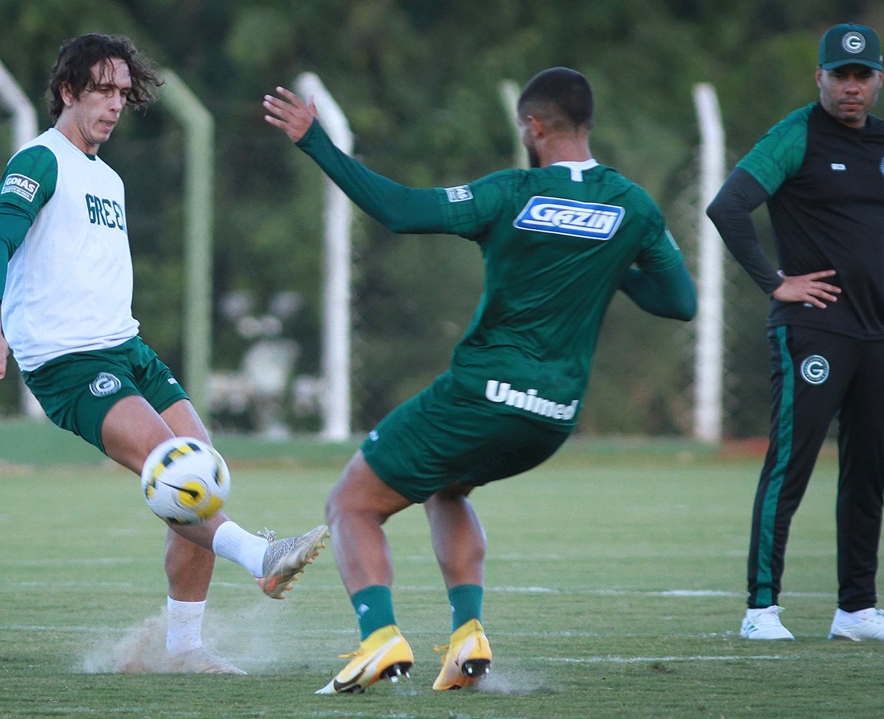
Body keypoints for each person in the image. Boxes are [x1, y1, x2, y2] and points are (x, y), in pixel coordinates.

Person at [264, 67, 697, 693]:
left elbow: (401, 211)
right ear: (588, 125)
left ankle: (378, 638)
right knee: (447, 489)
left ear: (533, 125)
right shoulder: (632, 206)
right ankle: (468, 636)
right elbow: (679, 300)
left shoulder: (512, 192)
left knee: (351, 505)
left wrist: (317, 140)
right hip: (552, 415)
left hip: (482, 395)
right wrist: (605, 257)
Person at [0, 33, 329, 674]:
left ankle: (184, 649)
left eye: (122, 94)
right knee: (175, 470)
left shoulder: (110, 179)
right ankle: (261, 558)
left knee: (205, 471)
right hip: (68, 364)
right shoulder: (39, 161)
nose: (112, 106)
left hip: (127, 350)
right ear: (68, 91)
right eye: (101, 91)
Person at [707, 23, 884, 642]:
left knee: (868, 472)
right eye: (840, 75)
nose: (851, 88)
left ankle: (857, 611)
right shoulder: (795, 135)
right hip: (812, 331)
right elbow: (727, 206)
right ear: (820, 78)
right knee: (790, 465)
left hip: (878, 335)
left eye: (863, 76)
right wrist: (776, 281)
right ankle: (761, 611)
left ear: (878, 79)